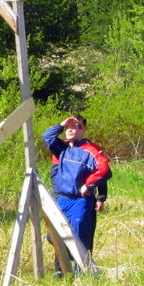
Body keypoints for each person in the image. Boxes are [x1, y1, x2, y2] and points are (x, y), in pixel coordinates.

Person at [42, 114, 111, 275]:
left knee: (80, 237)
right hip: (62, 199)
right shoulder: (62, 148)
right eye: (68, 127)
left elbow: (104, 170)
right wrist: (62, 124)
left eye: (76, 126)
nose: (71, 130)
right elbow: (47, 136)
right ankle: (63, 269)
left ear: (84, 129)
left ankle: (82, 272)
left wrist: (91, 186)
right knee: (54, 235)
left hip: (81, 201)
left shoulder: (91, 150)